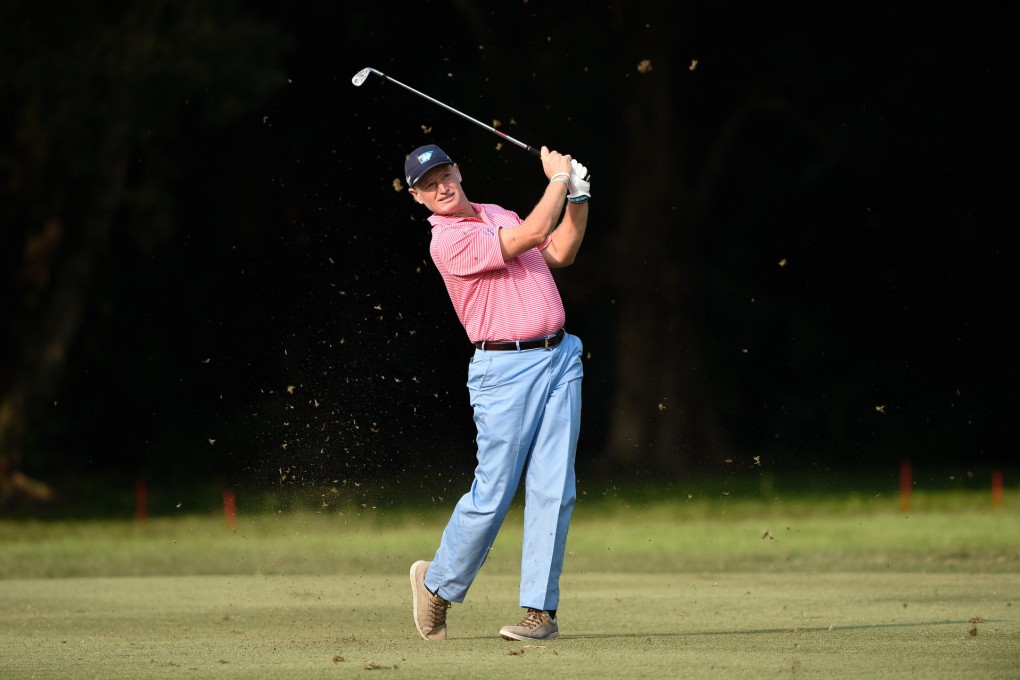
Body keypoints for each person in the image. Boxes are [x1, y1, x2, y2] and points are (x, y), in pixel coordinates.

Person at [402, 142, 590, 641]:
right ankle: (438, 585)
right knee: (494, 493)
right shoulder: (446, 242)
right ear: (418, 198)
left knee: (555, 489)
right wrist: (556, 179)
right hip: (503, 371)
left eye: (443, 175)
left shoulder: (497, 212)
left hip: (560, 358)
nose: (440, 187)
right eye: (427, 185)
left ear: (458, 171)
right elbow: (531, 233)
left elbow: (561, 251)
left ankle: (540, 614)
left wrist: (578, 196)